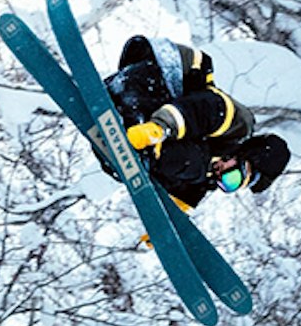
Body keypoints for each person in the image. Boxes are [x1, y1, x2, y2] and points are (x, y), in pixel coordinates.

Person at [103, 35, 291, 208]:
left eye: (228, 185)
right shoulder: (239, 126)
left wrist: (173, 217)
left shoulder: (211, 167)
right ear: (245, 155)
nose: (221, 177)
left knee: (190, 171)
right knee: (193, 162)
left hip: (144, 101)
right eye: (232, 177)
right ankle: (130, 119)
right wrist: (159, 128)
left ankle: (122, 153)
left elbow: (193, 191)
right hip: (163, 71)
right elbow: (201, 110)